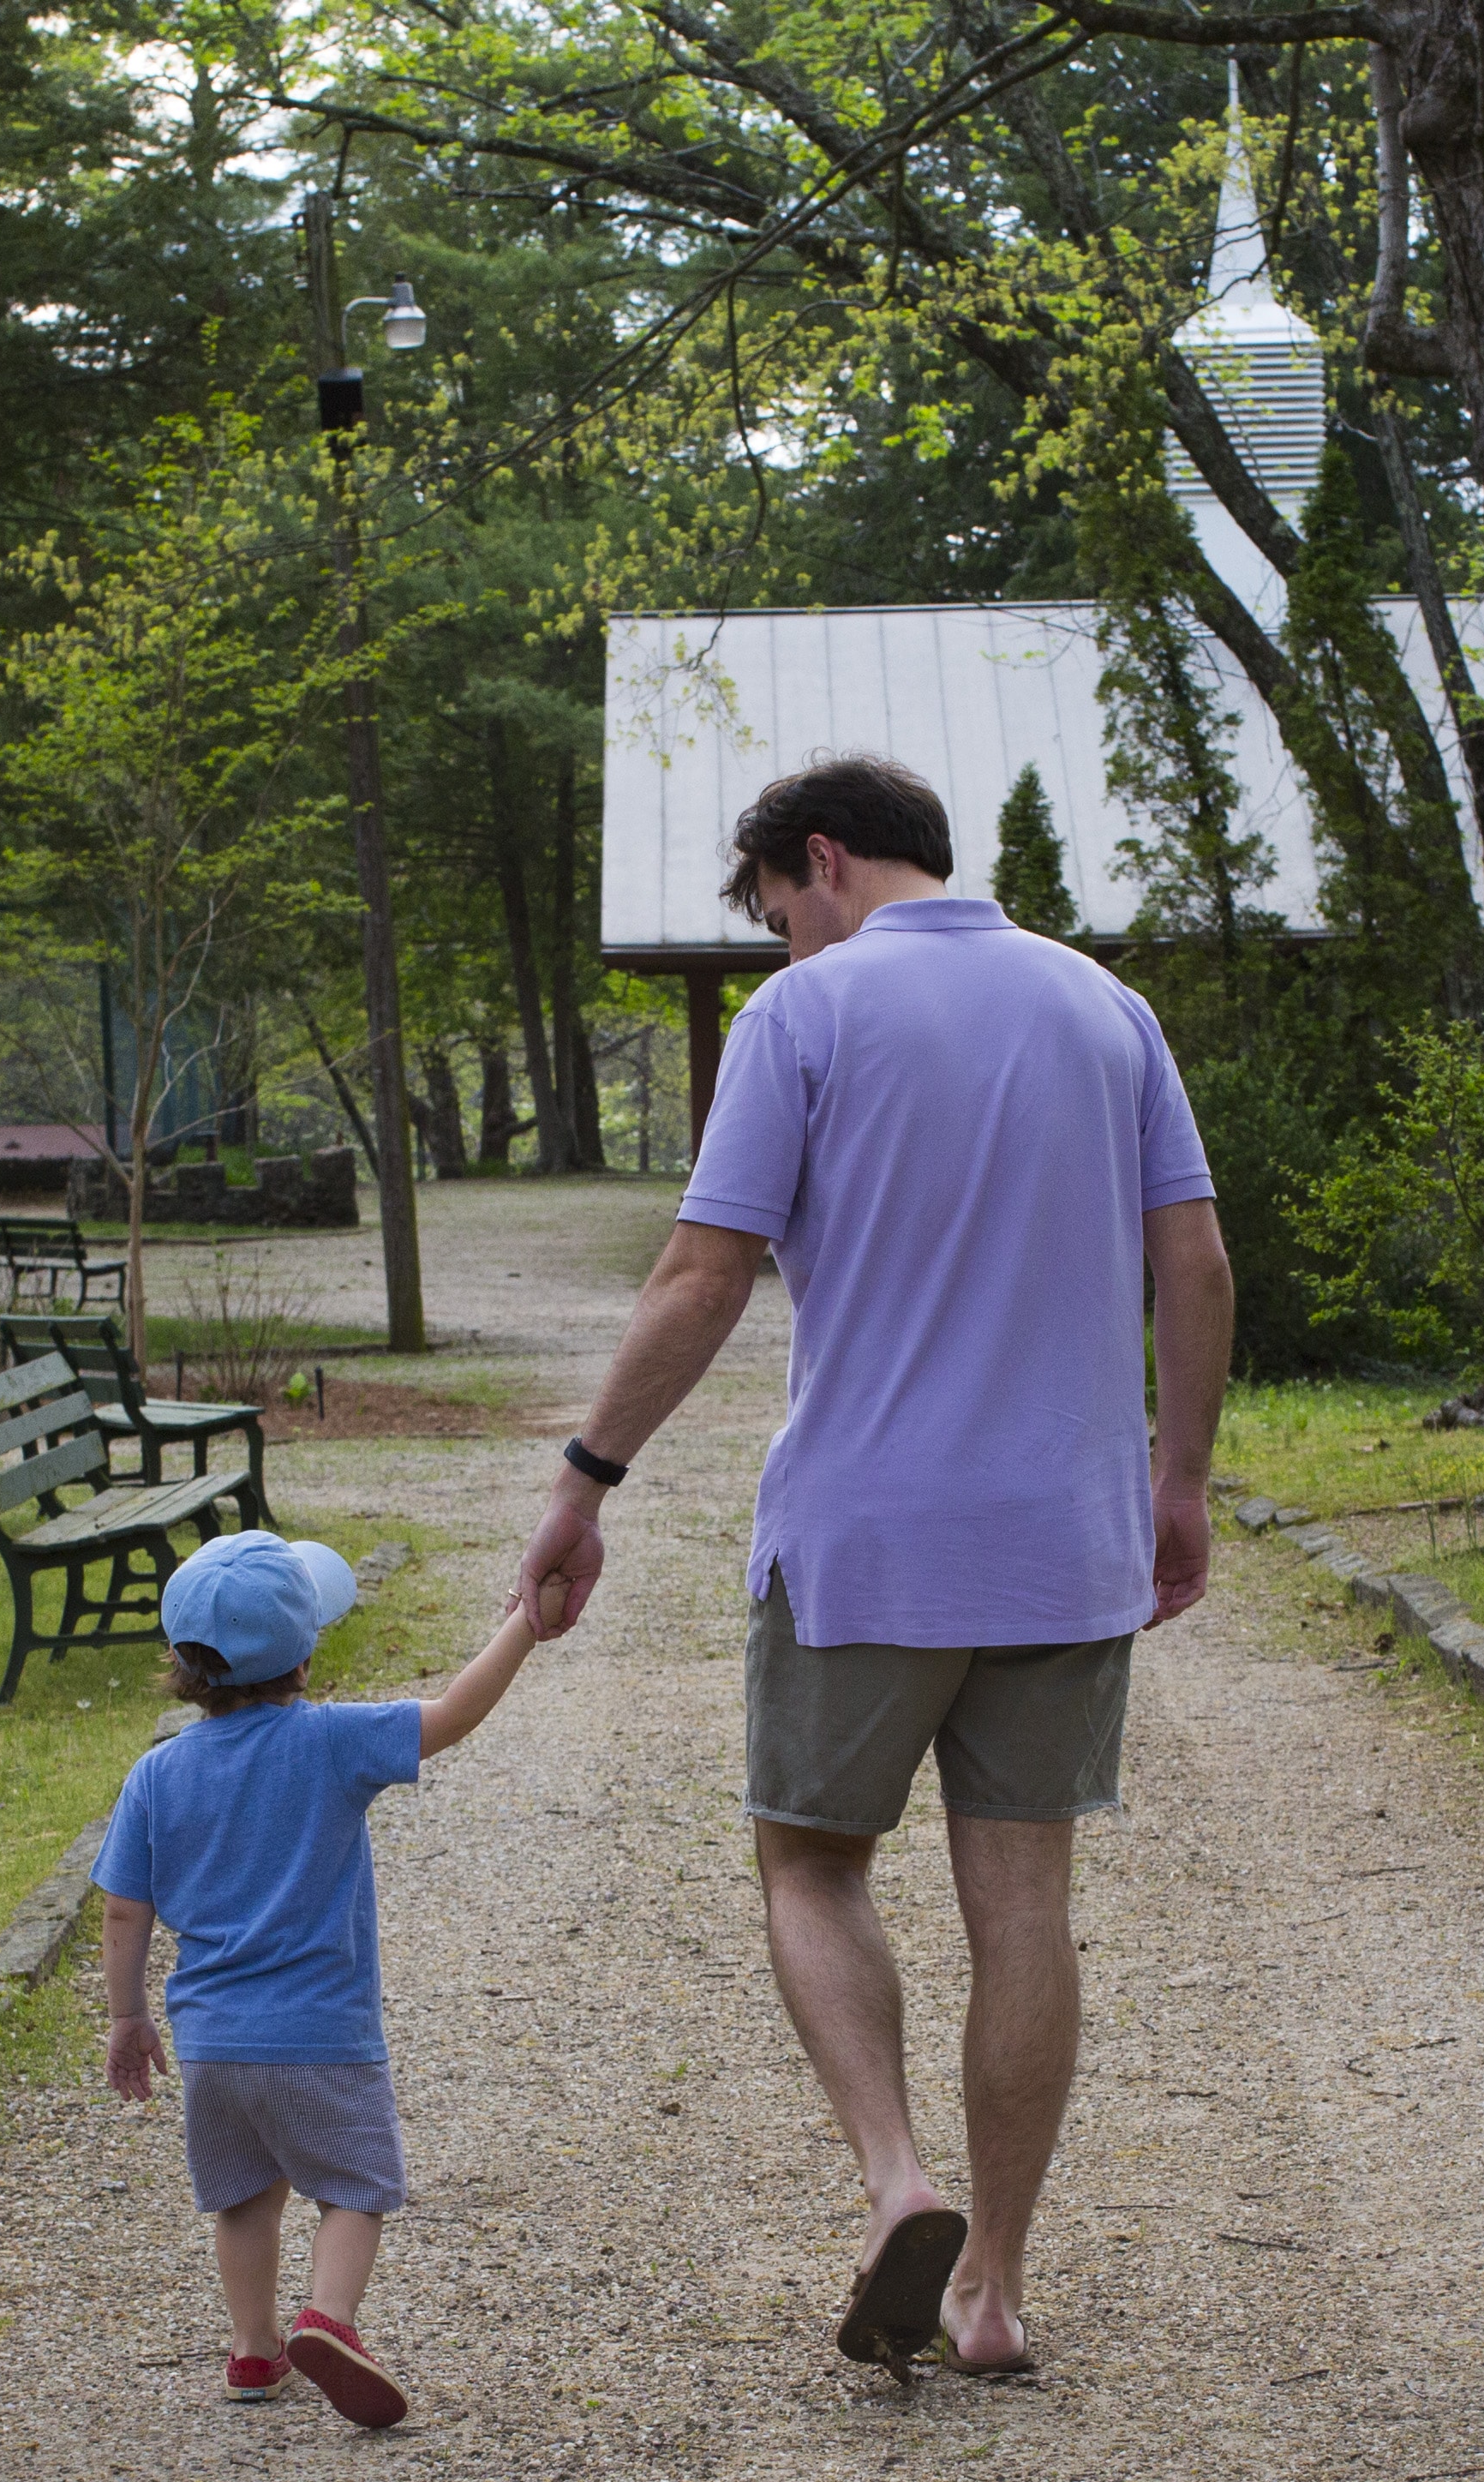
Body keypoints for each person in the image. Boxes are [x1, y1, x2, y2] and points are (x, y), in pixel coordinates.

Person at [512, 752, 1234, 2378]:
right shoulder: (1106, 1010)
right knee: (1024, 1902)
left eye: (780, 913)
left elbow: (703, 1276)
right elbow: (1191, 1257)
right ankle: (993, 2288)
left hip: (865, 1545)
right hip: (1064, 1543)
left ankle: (898, 2180)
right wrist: (1178, 1482)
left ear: (822, 860)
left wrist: (585, 1480)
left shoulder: (805, 1017)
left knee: (811, 1862)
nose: (785, 943)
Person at [99, 1531, 539, 2428]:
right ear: (303, 1659)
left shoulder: (156, 1774)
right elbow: (454, 1713)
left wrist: (127, 2016)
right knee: (354, 2189)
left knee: (243, 2199)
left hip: (213, 2046)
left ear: (182, 1665)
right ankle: (329, 2319)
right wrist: (523, 1624)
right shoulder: (332, 1741)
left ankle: (253, 2349)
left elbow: (122, 1911)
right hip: (322, 2036)